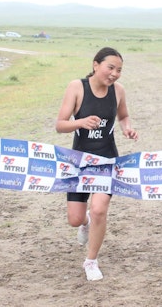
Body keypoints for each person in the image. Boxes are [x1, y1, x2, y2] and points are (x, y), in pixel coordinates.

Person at [55, 47, 138, 281]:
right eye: (110, 68)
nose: (114, 74)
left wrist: (127, 128)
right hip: (79, 162)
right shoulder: (77, 87)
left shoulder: (118, 91)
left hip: (106, 160)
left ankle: (91, 261)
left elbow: (123, 116)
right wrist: (80, 122)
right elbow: (60, 124)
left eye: (119, 70)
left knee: (99, 209)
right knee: (75, 219)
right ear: (95, 65)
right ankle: (86, 223)